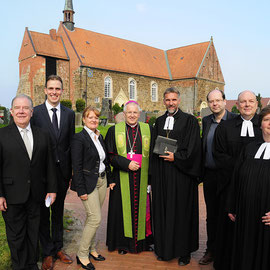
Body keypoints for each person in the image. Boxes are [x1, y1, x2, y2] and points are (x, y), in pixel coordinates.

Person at [0, 94, 57, 270]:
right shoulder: (2, 135)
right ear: (11, 111)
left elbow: (49, 164)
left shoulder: (42, 134)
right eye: (17, 108)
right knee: (16, 237)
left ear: (32, 112)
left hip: (36, 195)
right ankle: (19, 266)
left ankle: (32, 265)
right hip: (11, 196)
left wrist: (52, 189)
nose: (21, 111)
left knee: (33, 234)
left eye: (25, 108)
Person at [150, 87, 201, 266]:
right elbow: (153, 149)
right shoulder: (159, 121)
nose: (171, 103)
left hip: (182, 176)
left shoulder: (190, 121)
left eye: (174, 100)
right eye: (167, 100)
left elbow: (194, 148)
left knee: (181, 213)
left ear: (179, 101)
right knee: (163, 211)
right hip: (162, 176)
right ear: (164, 101)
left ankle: (184, 252)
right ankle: (164, 249)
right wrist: (152, 178)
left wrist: (176, 157)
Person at [213, 90, 262, 270]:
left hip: (258, 188)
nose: (247, 105)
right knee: (229, 226)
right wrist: (243, 169)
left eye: (250, 101)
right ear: (237, 104)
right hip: (229, 185)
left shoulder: (264, 126)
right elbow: (218, 154)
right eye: (243, 102)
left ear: (256, 104)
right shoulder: (225, 127)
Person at [31, 75, 75, 270]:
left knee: (58, 212)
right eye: (51, 88)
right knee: (43, 213)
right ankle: (47, 252)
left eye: (58, 89)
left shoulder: (69, 114)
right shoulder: (36, 113)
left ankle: (58, 247)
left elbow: (71, 142)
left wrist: (72, 170)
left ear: (62, 91)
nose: (54, 92)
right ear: (45, 90)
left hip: (62, 172)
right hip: (41, 173)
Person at [105, 101, 153, 254]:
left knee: (143, 211)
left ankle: (143, 244)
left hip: (142, 178)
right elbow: (110, 155)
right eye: (129, 113)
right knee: (122, 211)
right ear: (124, 114)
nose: (132, 115)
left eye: (135, 113)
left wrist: (151, 180)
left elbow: (153, 156)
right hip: (122, 177)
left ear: (139, 114)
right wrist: (126, 164)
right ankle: (123, 244)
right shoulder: (114, 130)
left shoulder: (148, 130)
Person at [227, 105, 270, 270]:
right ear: (260, 125)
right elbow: (236, 178)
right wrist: (232, 205)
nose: (269, 123)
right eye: (266, 120)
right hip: (246, 213)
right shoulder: (250, 148)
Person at [71, 106, 112, 270]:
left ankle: (92, 249)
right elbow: (77, 166)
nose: (94, 120)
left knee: (92, 218)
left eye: (96, 117)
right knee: (95, 219)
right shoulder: (78, 138)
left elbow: (104, 160)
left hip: (102, 181)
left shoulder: (98, 136)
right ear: (84, 119)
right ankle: (82, 254)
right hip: (88, 184)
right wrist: (81, 190)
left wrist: (110, 179)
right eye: (90, 117)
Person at [199, 89, 237, 265]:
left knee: (228, 213)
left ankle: (226, 251)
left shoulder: (234, 121)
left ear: (224, 101)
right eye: (211, 101)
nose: (214, 104)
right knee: (211, 215)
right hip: (210, 175)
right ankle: (211, 249)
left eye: (217, 100)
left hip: (228, 177)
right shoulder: (207, 121)